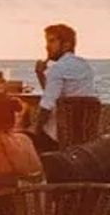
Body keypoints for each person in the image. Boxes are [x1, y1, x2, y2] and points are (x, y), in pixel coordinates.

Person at [32, 23, 97, 153]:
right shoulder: (85, 66)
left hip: (55, 138)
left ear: (66, 45)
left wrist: (35, 133)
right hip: (82, 138)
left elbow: (47, 106)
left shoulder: (57, 68)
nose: (47, 46)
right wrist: (40, 74)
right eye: (47, 41)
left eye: (52, 41)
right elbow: (53, 94)